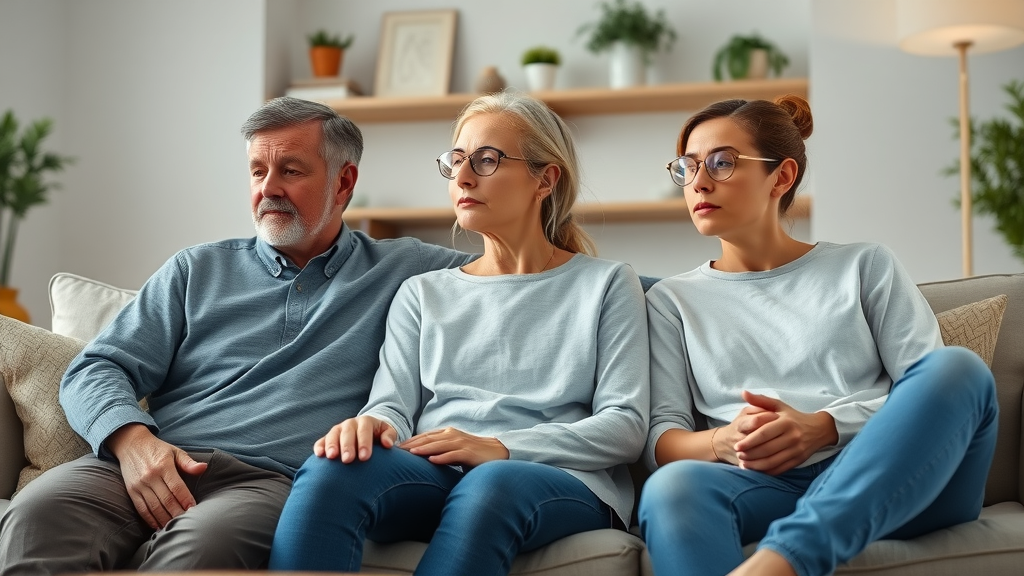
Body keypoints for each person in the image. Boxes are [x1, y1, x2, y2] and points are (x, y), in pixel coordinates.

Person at [0, 96, 474, 573]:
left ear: (344, 181)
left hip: (268, 482)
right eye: (256, 171)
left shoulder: (407, 270)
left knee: (199, 552)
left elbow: (522, 267)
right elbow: (97, 367)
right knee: (35, 515)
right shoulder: (196, 269)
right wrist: (133, 442)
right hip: (154, 459)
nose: (268, 189)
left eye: (290, 171)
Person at [268, 91, 650, 575]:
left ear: (545, 179)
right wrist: (374, 426)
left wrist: (502, 448)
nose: (464, 177)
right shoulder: (422, 293)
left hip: (554, 479)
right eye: (456, 160)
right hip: (437, 470)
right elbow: (392, 405)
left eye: (487, 160)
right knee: (330, 472)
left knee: (490, 485)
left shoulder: (608, 283)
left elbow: (625, 426)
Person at [638, 95, 998, 576]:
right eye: (687, 166)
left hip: (890, 476)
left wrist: (824, 426)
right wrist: (723, 441)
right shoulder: (670, 300)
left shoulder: (864, 265)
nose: (699, 181)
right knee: (672, 488)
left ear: (781, 177)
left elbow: (926, 390)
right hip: (762, 487)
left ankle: (786, 561)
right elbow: (663, 437)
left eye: (722, 163)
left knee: (958, 369)